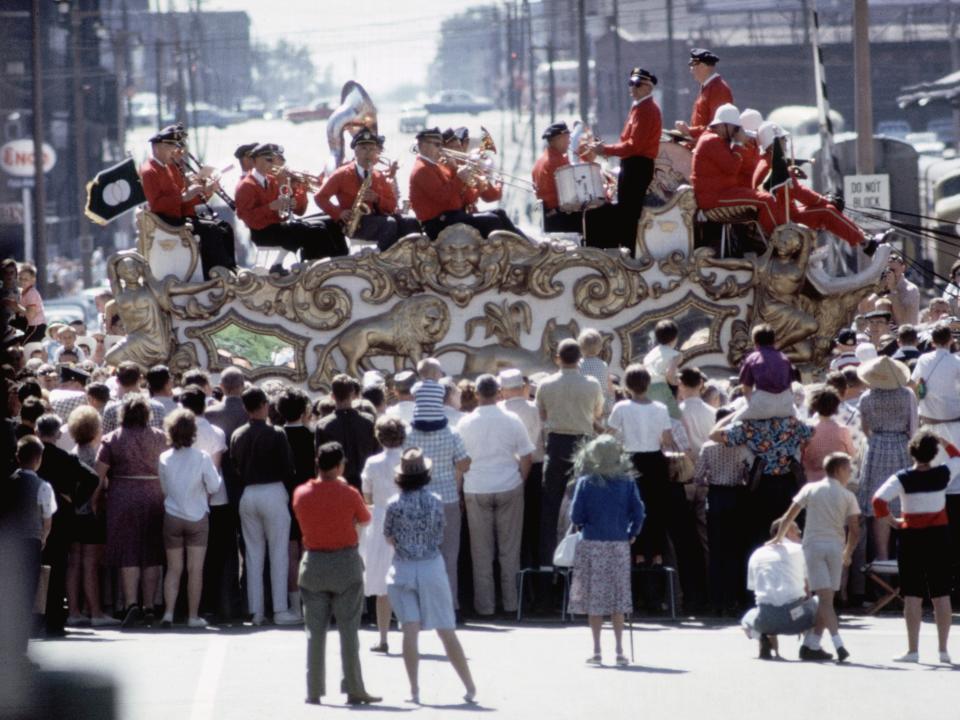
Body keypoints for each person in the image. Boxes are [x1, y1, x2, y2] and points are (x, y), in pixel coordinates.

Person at [384, 448, 477, 705]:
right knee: (446, 630)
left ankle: (414, 690)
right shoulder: (436, 500)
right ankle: (469, 686)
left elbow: (389, 537)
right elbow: (439, 534)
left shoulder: (393, 504)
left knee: (409, 631)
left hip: (403, 567)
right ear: (426, 474)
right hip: (431, 566)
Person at [293, 441, 380, 706]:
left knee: (315, 631)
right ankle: (354, 687)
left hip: (314, 564)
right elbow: (365, 519)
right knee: (348, 631)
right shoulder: (349, 493)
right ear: (340, 465)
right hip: (345, 563)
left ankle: (314, 689)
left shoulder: (301, 493)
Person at [873, 431, 955, 664]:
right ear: (934, 452)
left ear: (911, 452)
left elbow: (878, 501)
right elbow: (957, 456)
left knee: (912, 594)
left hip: (911, 538)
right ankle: (943, 650)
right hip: (938, 537)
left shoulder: (902, 477)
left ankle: (913, 650)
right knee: (941, 594)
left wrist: (893, 521)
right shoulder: (943, 473)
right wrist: (942, 440)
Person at [771, 452, 860, 662]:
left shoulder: (810, 488)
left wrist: (778, 538)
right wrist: (847, 553)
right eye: (848, 469)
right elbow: (855, 530)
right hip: (835, 548)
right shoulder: (848, 496)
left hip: (812, 547)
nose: (850, 473)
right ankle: (837, 642)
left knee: (824, 598)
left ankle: (812, 643)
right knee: (827, 597)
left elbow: (788, 516)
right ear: (839, 470)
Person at [457, 374, 535, 617]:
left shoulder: (464, 423)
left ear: (477, 394)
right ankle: (512, 604)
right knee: (509, 550)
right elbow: (526, 456)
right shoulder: (512, 419)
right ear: (499, 392)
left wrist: (459, 488)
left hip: (476, 486)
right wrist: (520, 479)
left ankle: (485, 606)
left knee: (481, 552)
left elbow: (460, 462)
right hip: (508, 484)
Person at [568, 435, 645, 666]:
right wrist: (632, 533)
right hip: (618, 543)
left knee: (595, 599)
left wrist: (585, 524)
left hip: (592, 543)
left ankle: (597, 649)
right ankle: (620, 650)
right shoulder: (627, 482)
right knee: (618, 597)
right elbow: (639, 512)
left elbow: (575, 515)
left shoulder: (586, 481)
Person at [94, 395, 168, 627]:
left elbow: (98, 475)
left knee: (128, 552)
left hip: (123, 496)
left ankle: (131, 603)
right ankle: (149, 605)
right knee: (151, 552)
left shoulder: (112, 439)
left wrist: (94, 500)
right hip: (154, 495)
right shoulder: (160, 438)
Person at [230, 386, 301, 626]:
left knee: (253, 555)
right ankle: (280, 609)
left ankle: (256, 611)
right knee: (278, 552)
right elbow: (288, 469)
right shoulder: (277, 433)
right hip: (272, 490)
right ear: (264, 405)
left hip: (248, 493)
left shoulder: (237, 434)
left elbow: (234, 467)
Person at [710, 396, 814, 550]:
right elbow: (810, 434)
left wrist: (737, 413)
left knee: (761, 534)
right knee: (792, 529)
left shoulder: (748, 426)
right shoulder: (793, 423)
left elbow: (713, 434)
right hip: (790, 483)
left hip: (761, 485)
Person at [536, 338, 604, 566]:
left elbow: (542, 415)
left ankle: (547, 565)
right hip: (582, 444)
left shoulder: (545, 384)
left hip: (556, 444)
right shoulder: (592, 383)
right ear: (580, 360)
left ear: (558, 358)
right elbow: (597, 414)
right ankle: (584, 563)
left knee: (549, 508)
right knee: (586, 503)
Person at [402, 380, 471, 607]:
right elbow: (464, 464)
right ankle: (451, 605)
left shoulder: (407, 434)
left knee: (419, 555)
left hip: (416, 500)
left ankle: (422, 604)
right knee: (449, 556)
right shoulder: (451, 433)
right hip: (448, 499)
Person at [139, 123, 237, 278]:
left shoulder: (165, 167)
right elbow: (157, 204)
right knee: (212, 231)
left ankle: (229, 267)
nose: (174, 151)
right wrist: (185, 196)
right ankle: (215, 274)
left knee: (224, 227)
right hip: (167, 221)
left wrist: (206, 192)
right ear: (157, 147)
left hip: (177, 217)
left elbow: (183, 199)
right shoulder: (149, 171)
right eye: (170, 147)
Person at [36, 414, 99, 636]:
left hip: (33, 518)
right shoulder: (64, 458)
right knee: (58, 568)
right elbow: (93, 478)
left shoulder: (33, 456)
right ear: (58, 434)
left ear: (37, 432)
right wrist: (75, 500)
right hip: (61, 518)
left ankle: (34, 620)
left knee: (34, 569)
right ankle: (54, 620)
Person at [157, 409, 220, 628]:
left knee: (174, 568)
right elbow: (214, 485)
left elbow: (164, 488)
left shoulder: (164, 457)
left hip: (172, 515)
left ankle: (168, 613)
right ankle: (193, 616)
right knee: (195, 569)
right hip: (197, 515)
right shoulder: (201, 457)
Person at [235, 143, 348, 265]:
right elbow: (246, 217)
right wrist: (270, 207)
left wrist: (296, 193)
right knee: (316, 231)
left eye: (273, 159)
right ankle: (314, 266)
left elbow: (297, 211)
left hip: (277, 226)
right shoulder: (246, 185)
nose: (272, 163)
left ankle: (341, 259)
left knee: (331, 223)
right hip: (263, 233)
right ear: (254, 161)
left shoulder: (272, 180)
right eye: (268, 159)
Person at [408, 127, 522, 240]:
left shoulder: (431, 166)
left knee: (499, 213)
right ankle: (510, 251)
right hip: (438, 222)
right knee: (492, 220)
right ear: (423, 146)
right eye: (437, 145)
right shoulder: (423, 169)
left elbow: (454, 197)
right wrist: (459, 177)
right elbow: (443, 197)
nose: (440, 149)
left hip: (449, 216)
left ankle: (521, 245)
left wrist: (461, 175)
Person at [315, 128, 419, 251]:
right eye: (364, 148)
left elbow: (391, 206)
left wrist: (377, 199)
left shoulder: (378, 175)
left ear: (376, 152)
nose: (368, 153)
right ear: (355, 151)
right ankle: (382, 260)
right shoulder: (341, 174)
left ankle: (408, 258)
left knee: (411, 222)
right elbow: (319, 197)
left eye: (372, 149)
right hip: (355, 224)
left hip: (378, 219)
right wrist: (339, 213)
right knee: (389, 224)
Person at [0, 436, 56, 662]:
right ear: (39, 459)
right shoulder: (42, 486)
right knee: (27, 593)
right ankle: (20, 646)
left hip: (9, 542)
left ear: (17, 457)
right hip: (31, 542)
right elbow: (47, 517)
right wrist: (43, 537)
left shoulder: (7, 482)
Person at [690, 104, 783, 237]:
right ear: (723, 125)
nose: (736, 132)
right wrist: (738, 144)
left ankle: (763, 239)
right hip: (715, 197)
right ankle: (776, 242)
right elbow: (731, 168)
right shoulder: (711, 141)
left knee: (764, 198)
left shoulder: (716, 140)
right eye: (735, 128)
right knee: (766, 200)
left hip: (721, 193)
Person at [596, 67, 662, 246]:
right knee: (626, 211)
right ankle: (626, 249)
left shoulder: (647, 109)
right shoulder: (639, 108)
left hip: (638, 165)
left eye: (638, 84)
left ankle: (629, 253)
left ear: (648, 88)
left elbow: (635, 145)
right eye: (631, 83)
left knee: (629, 213)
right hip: (632, 164)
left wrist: (606, 150)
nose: (633, 88)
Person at [695, 406, 751, 615]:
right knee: (736, 548)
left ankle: (717, 599)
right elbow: (748, 473)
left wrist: (708, 480)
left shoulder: (708, 447)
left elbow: (698, 477)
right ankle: (735, 597)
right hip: (737, 496)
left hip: (716, 496)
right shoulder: (742, 446)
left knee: (717, 549)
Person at [65, 405, 116, 627]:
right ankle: (95, 611)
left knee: (74, 563)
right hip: (91, 514)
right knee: (90, 564)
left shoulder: (72, 454)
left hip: (73, 515)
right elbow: (101, 484)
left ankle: (74, 611)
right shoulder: (95, 456)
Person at [202, 367, 246, 621]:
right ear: (241, 385)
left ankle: (220, 600)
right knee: (247, 546)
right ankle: (241, 600)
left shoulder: (210, 413)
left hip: (216, 486)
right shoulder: (248, 410)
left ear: (223, 385)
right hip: (243, 482)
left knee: (220, 546)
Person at [741, 518, 817, 660]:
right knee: (819, 603)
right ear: (788, 531)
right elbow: (808, 592)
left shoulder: (757, 553)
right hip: (795, 618)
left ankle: (762, 637)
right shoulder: (800, 550)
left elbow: (755, 589)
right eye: (798, 533)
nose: (800, 537)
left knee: (748, 617)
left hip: (766, 619)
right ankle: (810, 646)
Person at [361, 417, 405, 653]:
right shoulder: (409, 461)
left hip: (379, 519)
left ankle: (383, 637)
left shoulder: (372, 462)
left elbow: (366, 495)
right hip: (405, 517)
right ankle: (410, 634)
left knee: (381, 583)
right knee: (407, 579)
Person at [277, 387, 313, 621]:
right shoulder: (312, 436)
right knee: (308, 552)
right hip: (309, 497)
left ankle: (294, 605)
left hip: (284, 496)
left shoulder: (278, 435)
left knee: (290, 553)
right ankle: (311, 603)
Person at [314, 374, 378, 490]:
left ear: (332, 396)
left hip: (337, 484)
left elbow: (320, 460)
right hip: (367, 480)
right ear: (353, 394)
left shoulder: (323, 425)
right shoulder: (368, 421)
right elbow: (376, 451)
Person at [738, 324, 795, 419]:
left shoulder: (752, 358)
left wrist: (753, 405)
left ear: (755, 342)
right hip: (785, 404)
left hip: (763, 404)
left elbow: (746, 389)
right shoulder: (785, 358)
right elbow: (790, 388)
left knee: (733, 423)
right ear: (774, 341)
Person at [675, 48, 734, 140]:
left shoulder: (718, 89)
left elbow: (718, 127)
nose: (691, 71)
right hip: (704, 142)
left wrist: (690, 131)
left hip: (712, 147)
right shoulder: (709, 86)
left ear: (702, 66)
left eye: (693, 66)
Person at [802, 388, 857, 483]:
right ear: (835, 406)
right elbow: (852, 454)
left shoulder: (806, 429)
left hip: (812, 480)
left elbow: (801, 454)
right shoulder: (842, 429)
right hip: (837, 480)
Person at [101, 362, 166, 435]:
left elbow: (105, 438)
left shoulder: (110, 410)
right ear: (140, 379)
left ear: (117, 381)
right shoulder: (159, 407)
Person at [643, 320, 682, 419]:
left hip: (646, 389)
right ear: (675, 338)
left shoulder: (649, 355)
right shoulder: (675, 355)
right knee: (674, 417)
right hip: (661, 387)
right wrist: (677, 383)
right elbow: (670, 374)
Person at [884, 254, 920, 327]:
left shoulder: (911, 289)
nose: (891, 274)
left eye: (894, 270)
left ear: (903, 268)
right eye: (888, 270)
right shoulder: (882, 287)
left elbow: (903, 320)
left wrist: (893, 289)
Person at [17, 263, 46, 345]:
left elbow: (30, 314)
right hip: (28, 326)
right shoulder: (21, 292)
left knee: (24, 347)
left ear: (33, 280)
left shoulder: (31, 293)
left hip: (36, 327)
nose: (22, 281)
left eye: (25, 279)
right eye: (20, 278)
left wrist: (15, 306)